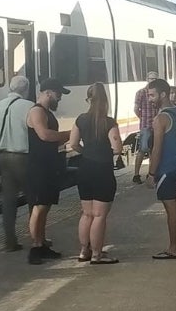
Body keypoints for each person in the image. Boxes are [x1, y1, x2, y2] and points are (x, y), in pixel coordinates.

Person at [69, 83, 123, 265]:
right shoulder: (108, 122)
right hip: (102, 170)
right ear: (105, 100)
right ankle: (97, 254)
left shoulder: (80, 120)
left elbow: (73, 143)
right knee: (99, 215)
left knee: (87, 214)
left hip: (84, 169)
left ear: (88, 99)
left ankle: (84, 251)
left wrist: (87, 152)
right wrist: (106, 152)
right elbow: (117, 147)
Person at [0, 76, 35, 253]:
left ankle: (10, 242)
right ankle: (37, 239)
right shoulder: (29, 107)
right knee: (33, 199)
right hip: (24, 158)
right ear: (26, 89)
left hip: (4, 158)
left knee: (8, 201)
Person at [25, 79, 72, 265]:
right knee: (39, 207)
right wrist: (70, 134)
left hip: (49, 164)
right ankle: (36, 247)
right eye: (58, 94)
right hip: (39, 166)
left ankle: (42, 242)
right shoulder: (37, 111)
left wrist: (64, 139)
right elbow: (44, 135)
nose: (59, 98)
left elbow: (53, 140)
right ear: (48, 92)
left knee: (45, 206)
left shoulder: (47, 113)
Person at [146, 78, 176, 259]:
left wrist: (151, 173)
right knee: (173, 206)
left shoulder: (160, 119)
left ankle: (173, 248)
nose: (150, 99)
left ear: (162, 94)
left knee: (170, 207)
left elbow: (157, 149)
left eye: (152, 95)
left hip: (165, 168)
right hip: (175, 165)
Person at [131, 72, 159, 184]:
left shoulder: (157, 93)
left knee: (153, 150)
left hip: (156, 125)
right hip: (146, 125)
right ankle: (136, 174)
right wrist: (142, 118)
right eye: (151, 78)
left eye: (155, 79)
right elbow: (136, 108)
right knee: (142, 149)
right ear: (147, 79)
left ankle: (150, 173)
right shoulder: (141, 93)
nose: (152, 81)